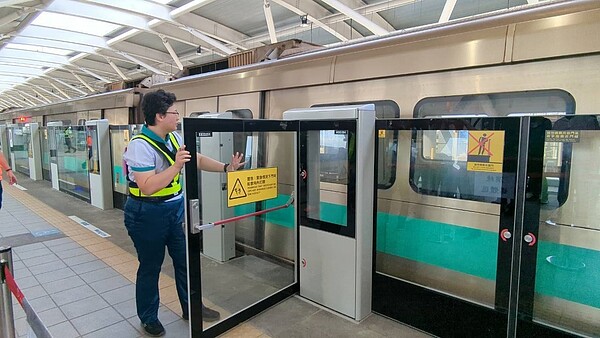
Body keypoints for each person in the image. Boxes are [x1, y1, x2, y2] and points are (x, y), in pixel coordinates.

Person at [123, 89, 244, 337]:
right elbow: (147, 186)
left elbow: (196, 159)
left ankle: (191, 307)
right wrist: (177, 166)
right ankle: (148, 317)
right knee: (150, 266)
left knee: (185, 262)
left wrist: (226, 168)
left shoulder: (174, 138)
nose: (178, 116)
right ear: (159, 116)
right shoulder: (140, 146)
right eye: (174, 112)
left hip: (173, 211)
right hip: (147, 213)